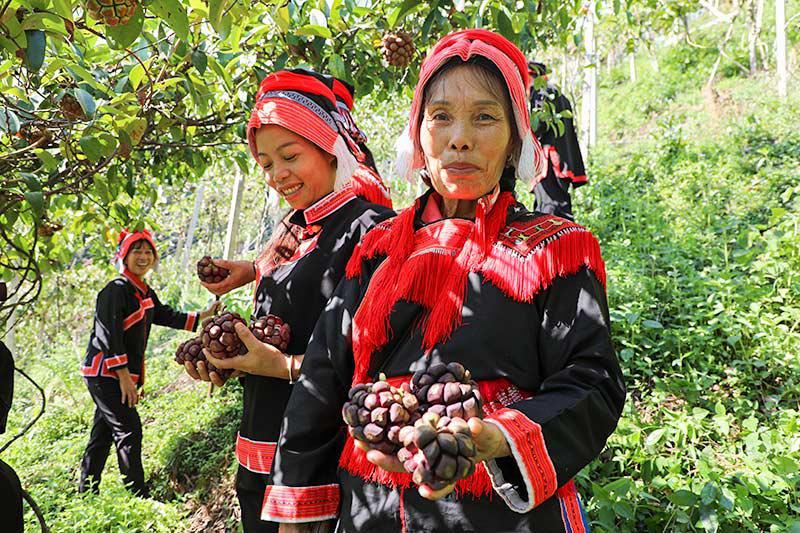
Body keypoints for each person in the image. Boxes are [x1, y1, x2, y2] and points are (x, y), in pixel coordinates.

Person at [264, 29, 625, 532]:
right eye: (440, 117)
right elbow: (324, 376)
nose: (460, 137)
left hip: (496, 510)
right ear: (419, 134)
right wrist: (298, 512)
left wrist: (495, 438)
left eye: (484, 116)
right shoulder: (376, 247)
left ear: (514, 138)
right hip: (373, 507)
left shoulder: (556, 247)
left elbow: (593, 382)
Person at [184, 69, 394, 532]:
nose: (278, 174)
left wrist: (279, 364)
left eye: (290, 155)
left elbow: (371, 363)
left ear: (329, 146)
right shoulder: (294, 227)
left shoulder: (374, 231)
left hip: (317, 463)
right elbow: (293, 305)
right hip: (262, 448)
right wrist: (230, 353)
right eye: (265, 163)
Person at [78, 230, 218, 496]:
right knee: (129, 429)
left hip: (114, 374)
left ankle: (86, 491)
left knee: (104, 432)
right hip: (105, 372)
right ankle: (137, 495)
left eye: (148, 252)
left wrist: (205, 315)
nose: (143, 257)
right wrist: (124, 379)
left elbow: (165, 315)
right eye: (136, 251)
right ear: (124, 256)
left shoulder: (142, 291)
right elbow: (109, 337)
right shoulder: (114, 291)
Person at [528, 61, 587, 220]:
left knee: (549, 209)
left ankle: (559, 244)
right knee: (558, 206)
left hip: (550, 163)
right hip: (562, 162)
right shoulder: (559, 94)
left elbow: (539, 125)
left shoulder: (541, 93)